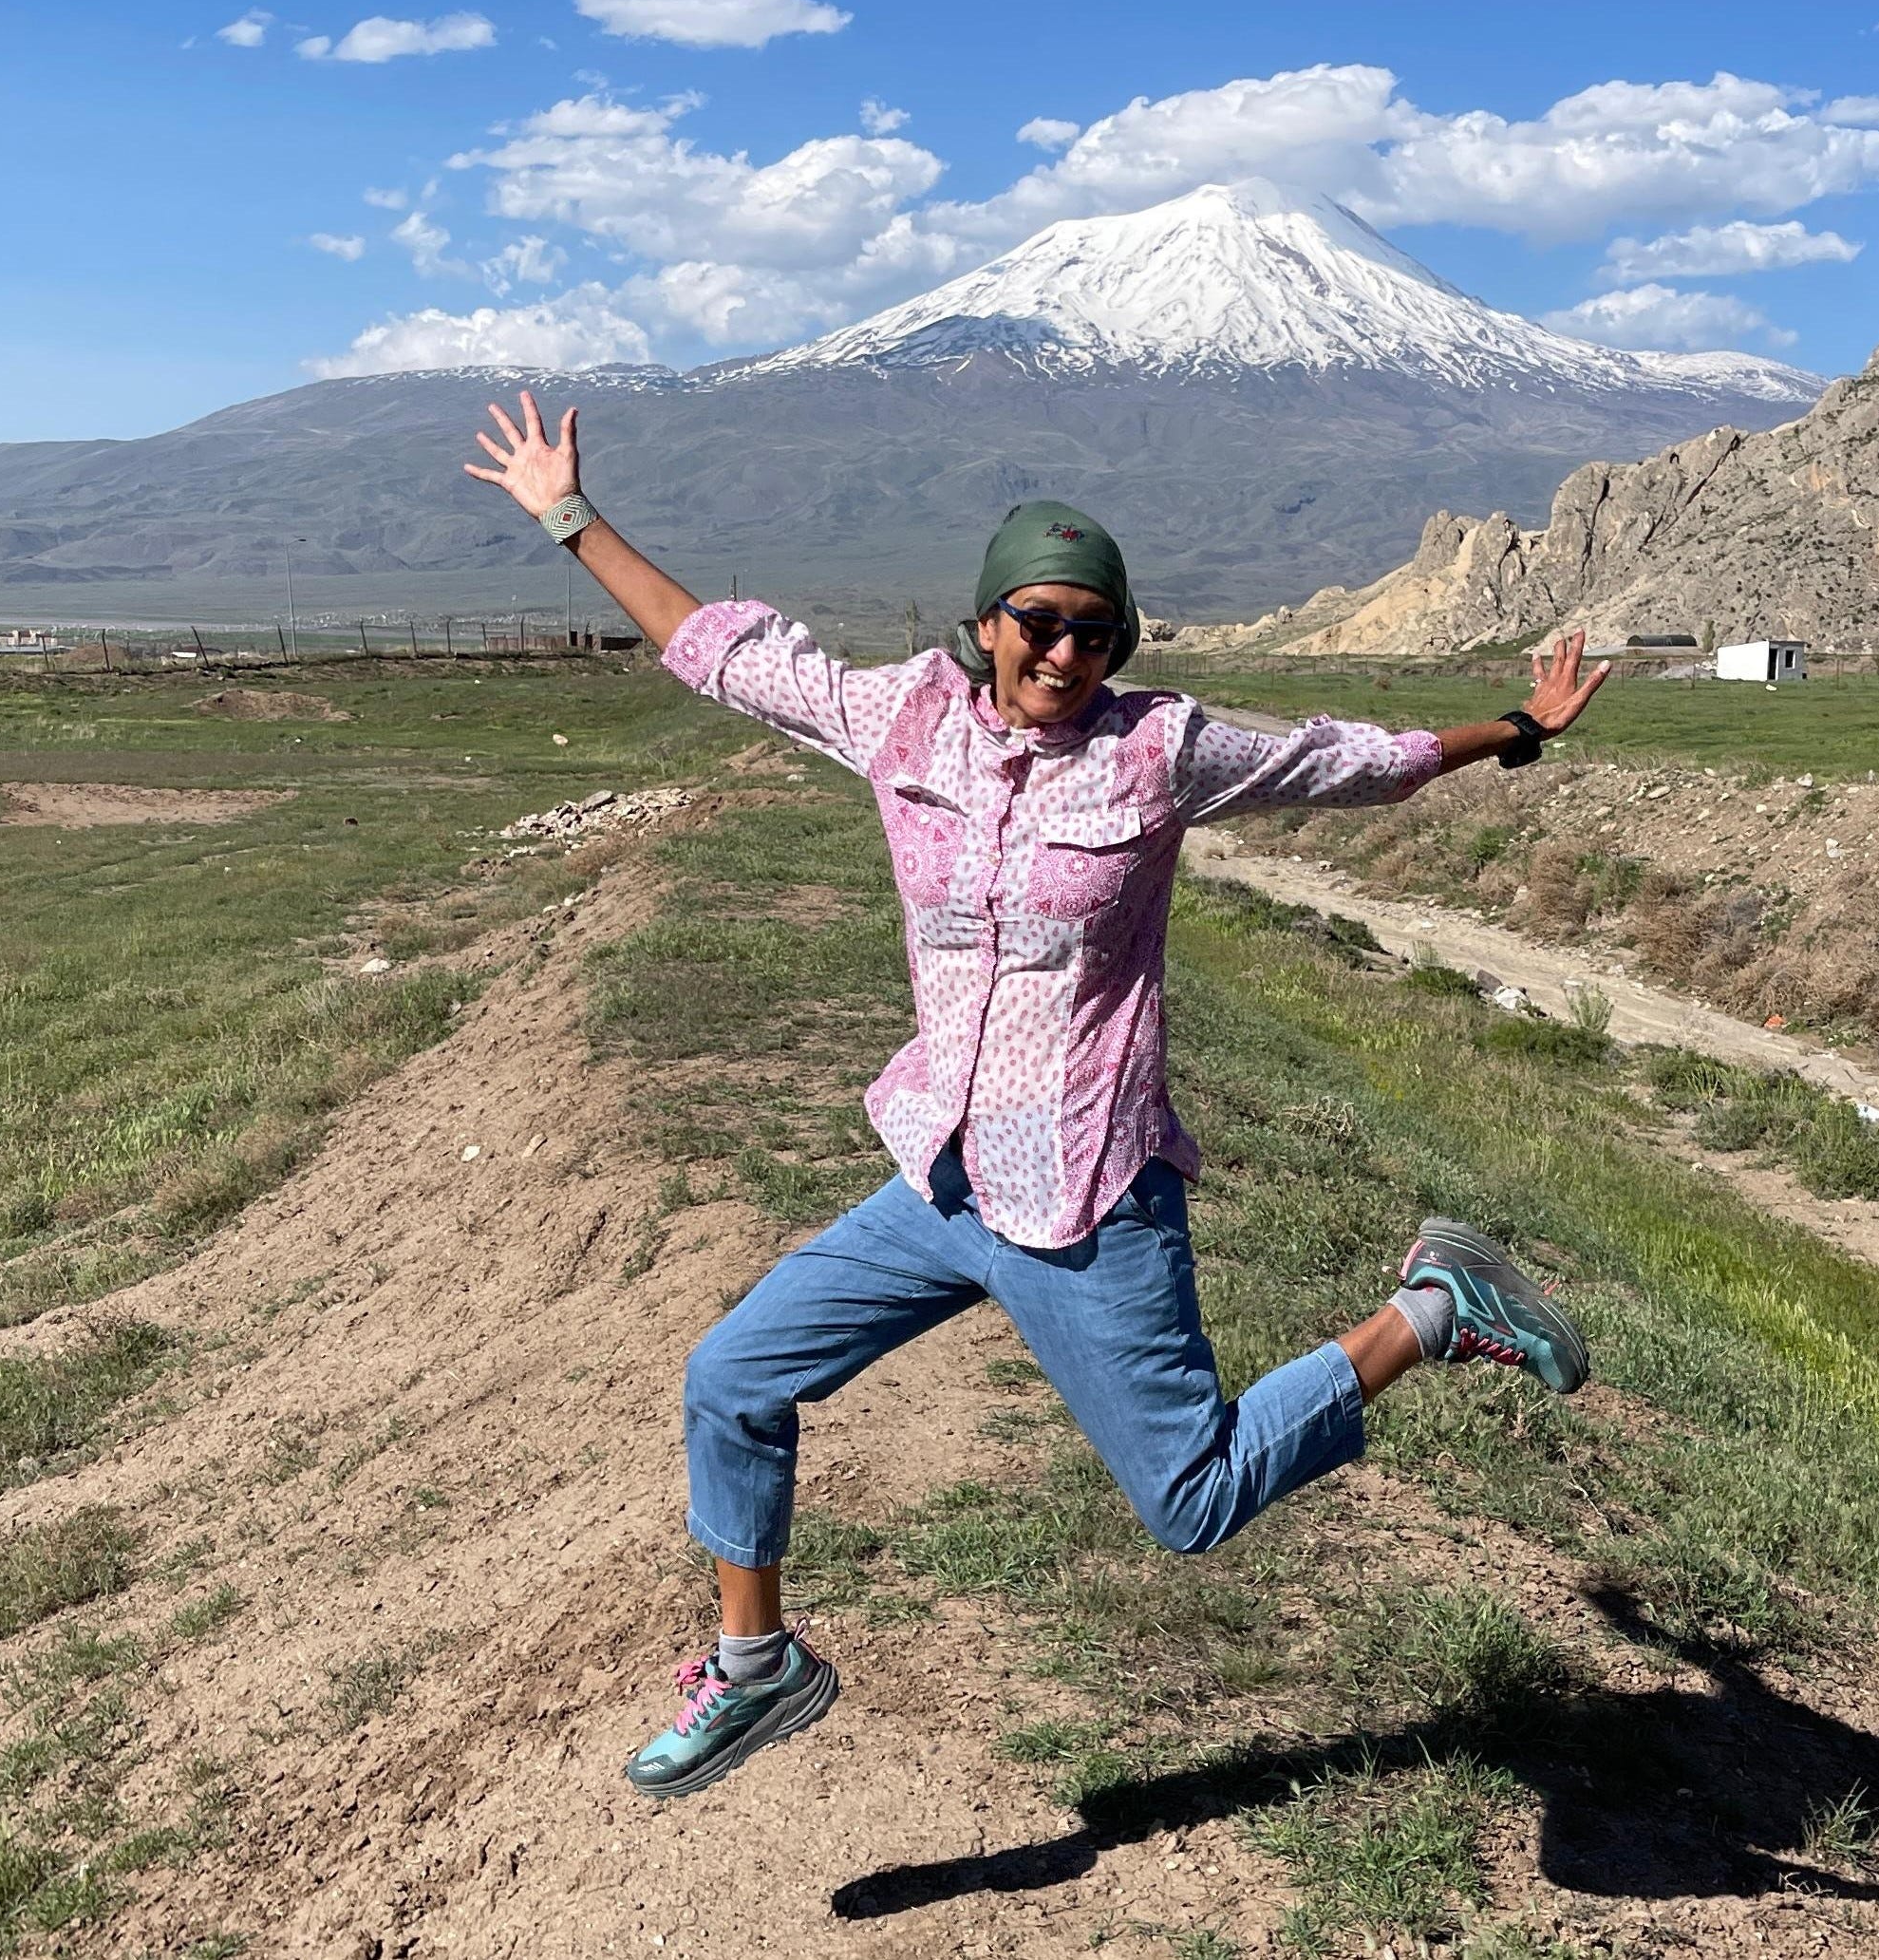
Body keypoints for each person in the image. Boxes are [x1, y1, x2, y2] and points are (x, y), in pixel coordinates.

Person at [464, 392, 1609, 1801]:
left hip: (1088, 1198)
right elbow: (719, 653)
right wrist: (572, 520)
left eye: (1095, 633)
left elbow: (1351, 762)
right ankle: (756, 1666)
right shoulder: (902, 718)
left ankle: (1432, 1308)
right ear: (987, 623)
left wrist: (1517, 728)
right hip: (942, 1178)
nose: (1065, 653)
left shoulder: (1159, 750)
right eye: (1041, 622)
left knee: (1191, 1502)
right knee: (733, 1379)